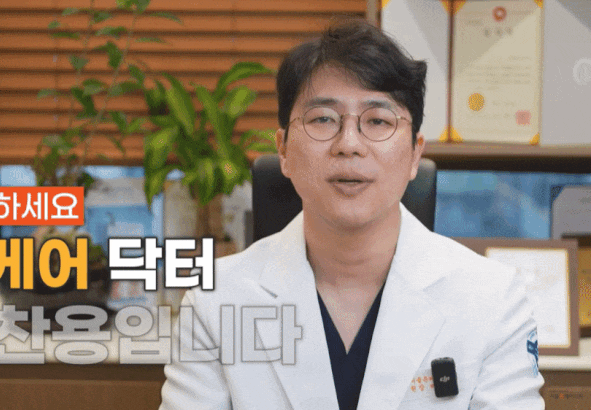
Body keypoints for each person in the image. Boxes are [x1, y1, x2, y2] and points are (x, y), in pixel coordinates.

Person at [159, 19, 544, 410]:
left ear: (414, 153)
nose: (349, 144)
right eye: (323, 118)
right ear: (284, 150)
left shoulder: (493, 300)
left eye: (377, 121)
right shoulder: (215, 302)